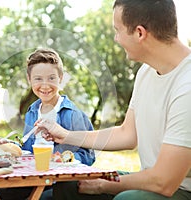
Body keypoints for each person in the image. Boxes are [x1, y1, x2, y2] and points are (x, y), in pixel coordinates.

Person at [35, 0, 191, 200]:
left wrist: (103, 185)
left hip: (180, 190)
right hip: (151, 182)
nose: (116, 39)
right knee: (69, 185)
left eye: (118, 30)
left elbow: (164, 181)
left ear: (139, 33)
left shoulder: (187, 85)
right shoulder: (146, 72)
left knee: (125, 198)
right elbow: (127, 134)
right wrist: (65, 135)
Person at [0, 48, 96, 200]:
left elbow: (88, 155)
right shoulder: (32, 111)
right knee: (0, 191)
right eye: (38, 79)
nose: (45, 85)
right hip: (33, 178)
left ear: (60, 78)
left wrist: (61, 159)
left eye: (51, 78)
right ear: (29, 79)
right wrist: (10, 145)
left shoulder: (73, 114)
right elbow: (27, 149)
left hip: (58, 182)